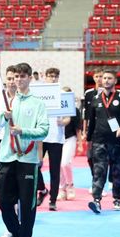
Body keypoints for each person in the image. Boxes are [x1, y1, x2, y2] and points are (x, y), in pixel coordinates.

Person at [0, 62, 48, 237]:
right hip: (7, 157)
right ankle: (16, 234)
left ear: (29, 78)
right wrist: (3, 116)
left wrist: (23, 131)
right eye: (15, 77)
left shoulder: (37, 104)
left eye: (22, 76)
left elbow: (43, 130)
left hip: (27, 160)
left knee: (27, 206)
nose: (18, 80)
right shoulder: (7, 101)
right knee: (3, 201)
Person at [87, 70, 120, 214]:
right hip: (99, 141)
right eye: (104, 78)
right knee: (98, 171)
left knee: (117, 171)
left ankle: (117, 198)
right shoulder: (95, 99)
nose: (106, 80)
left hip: (117, 141)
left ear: (115, 81)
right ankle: (96, 200)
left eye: (109, 78)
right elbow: (91, 121)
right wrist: (88, 139)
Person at [36, 67, 67, 211]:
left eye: (55, 76)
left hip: (57, 137)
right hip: (40, 136)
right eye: (50, 76)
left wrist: (64, 122)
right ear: (45, 77)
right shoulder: (39, 94)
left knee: (54, 171)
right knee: (34, 166)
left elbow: (69, 117)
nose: (52, 78)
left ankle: (53, 200)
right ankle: (41, 189)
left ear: (58, 77)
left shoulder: (63, 95)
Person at [0, 65, 18, 237]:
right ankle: (11, 229)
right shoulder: (0, 99)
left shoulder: (23, 99)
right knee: (5, 194)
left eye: (14, 78)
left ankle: (19, 230)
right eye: (9, 79)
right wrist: (4, 116)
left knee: (19, 194)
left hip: (21, 150)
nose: (11, 82)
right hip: (3, 149)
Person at [82, 67, 104, 194]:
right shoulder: (88, 93)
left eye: (101, 76)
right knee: (90, 158)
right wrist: (85, 131)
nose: (99, 79)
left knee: (100, 158)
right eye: (97, 76)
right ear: (93, 78)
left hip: (103, 130)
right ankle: (94, 180)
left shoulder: (108, 93)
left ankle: (99, 185)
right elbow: (86, 114)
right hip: (91, 130)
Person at [58, 86, 80, 201]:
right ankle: (62, 189)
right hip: (58, 139)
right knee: (59, 165)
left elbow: (78, 129)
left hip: (70, 138)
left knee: (65, 163)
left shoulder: (75, 110)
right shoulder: (56, 109)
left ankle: (70, 185)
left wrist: (80, 144)